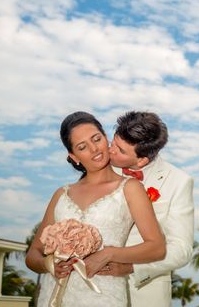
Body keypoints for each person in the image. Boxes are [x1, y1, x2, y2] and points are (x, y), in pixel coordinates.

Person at [26, 111, 166, 307]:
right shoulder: (61, 194)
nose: (94, 149)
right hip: (55, 294)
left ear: (106, 137)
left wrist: (108, 254)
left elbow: (156, 247)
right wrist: (49, 264)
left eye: (96, 139)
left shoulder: (130, 188)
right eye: (82, 147)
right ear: (74, 156)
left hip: (103, 295)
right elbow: (33, 255)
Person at [96, 111, 194, 307]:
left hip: (145, 293)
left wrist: (132, 267)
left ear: (142, 161)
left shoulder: (178, 182)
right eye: (113, 142)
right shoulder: (98, 167)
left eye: (121, 151)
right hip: (96, 288)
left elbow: (181, 249)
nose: (111, 151)